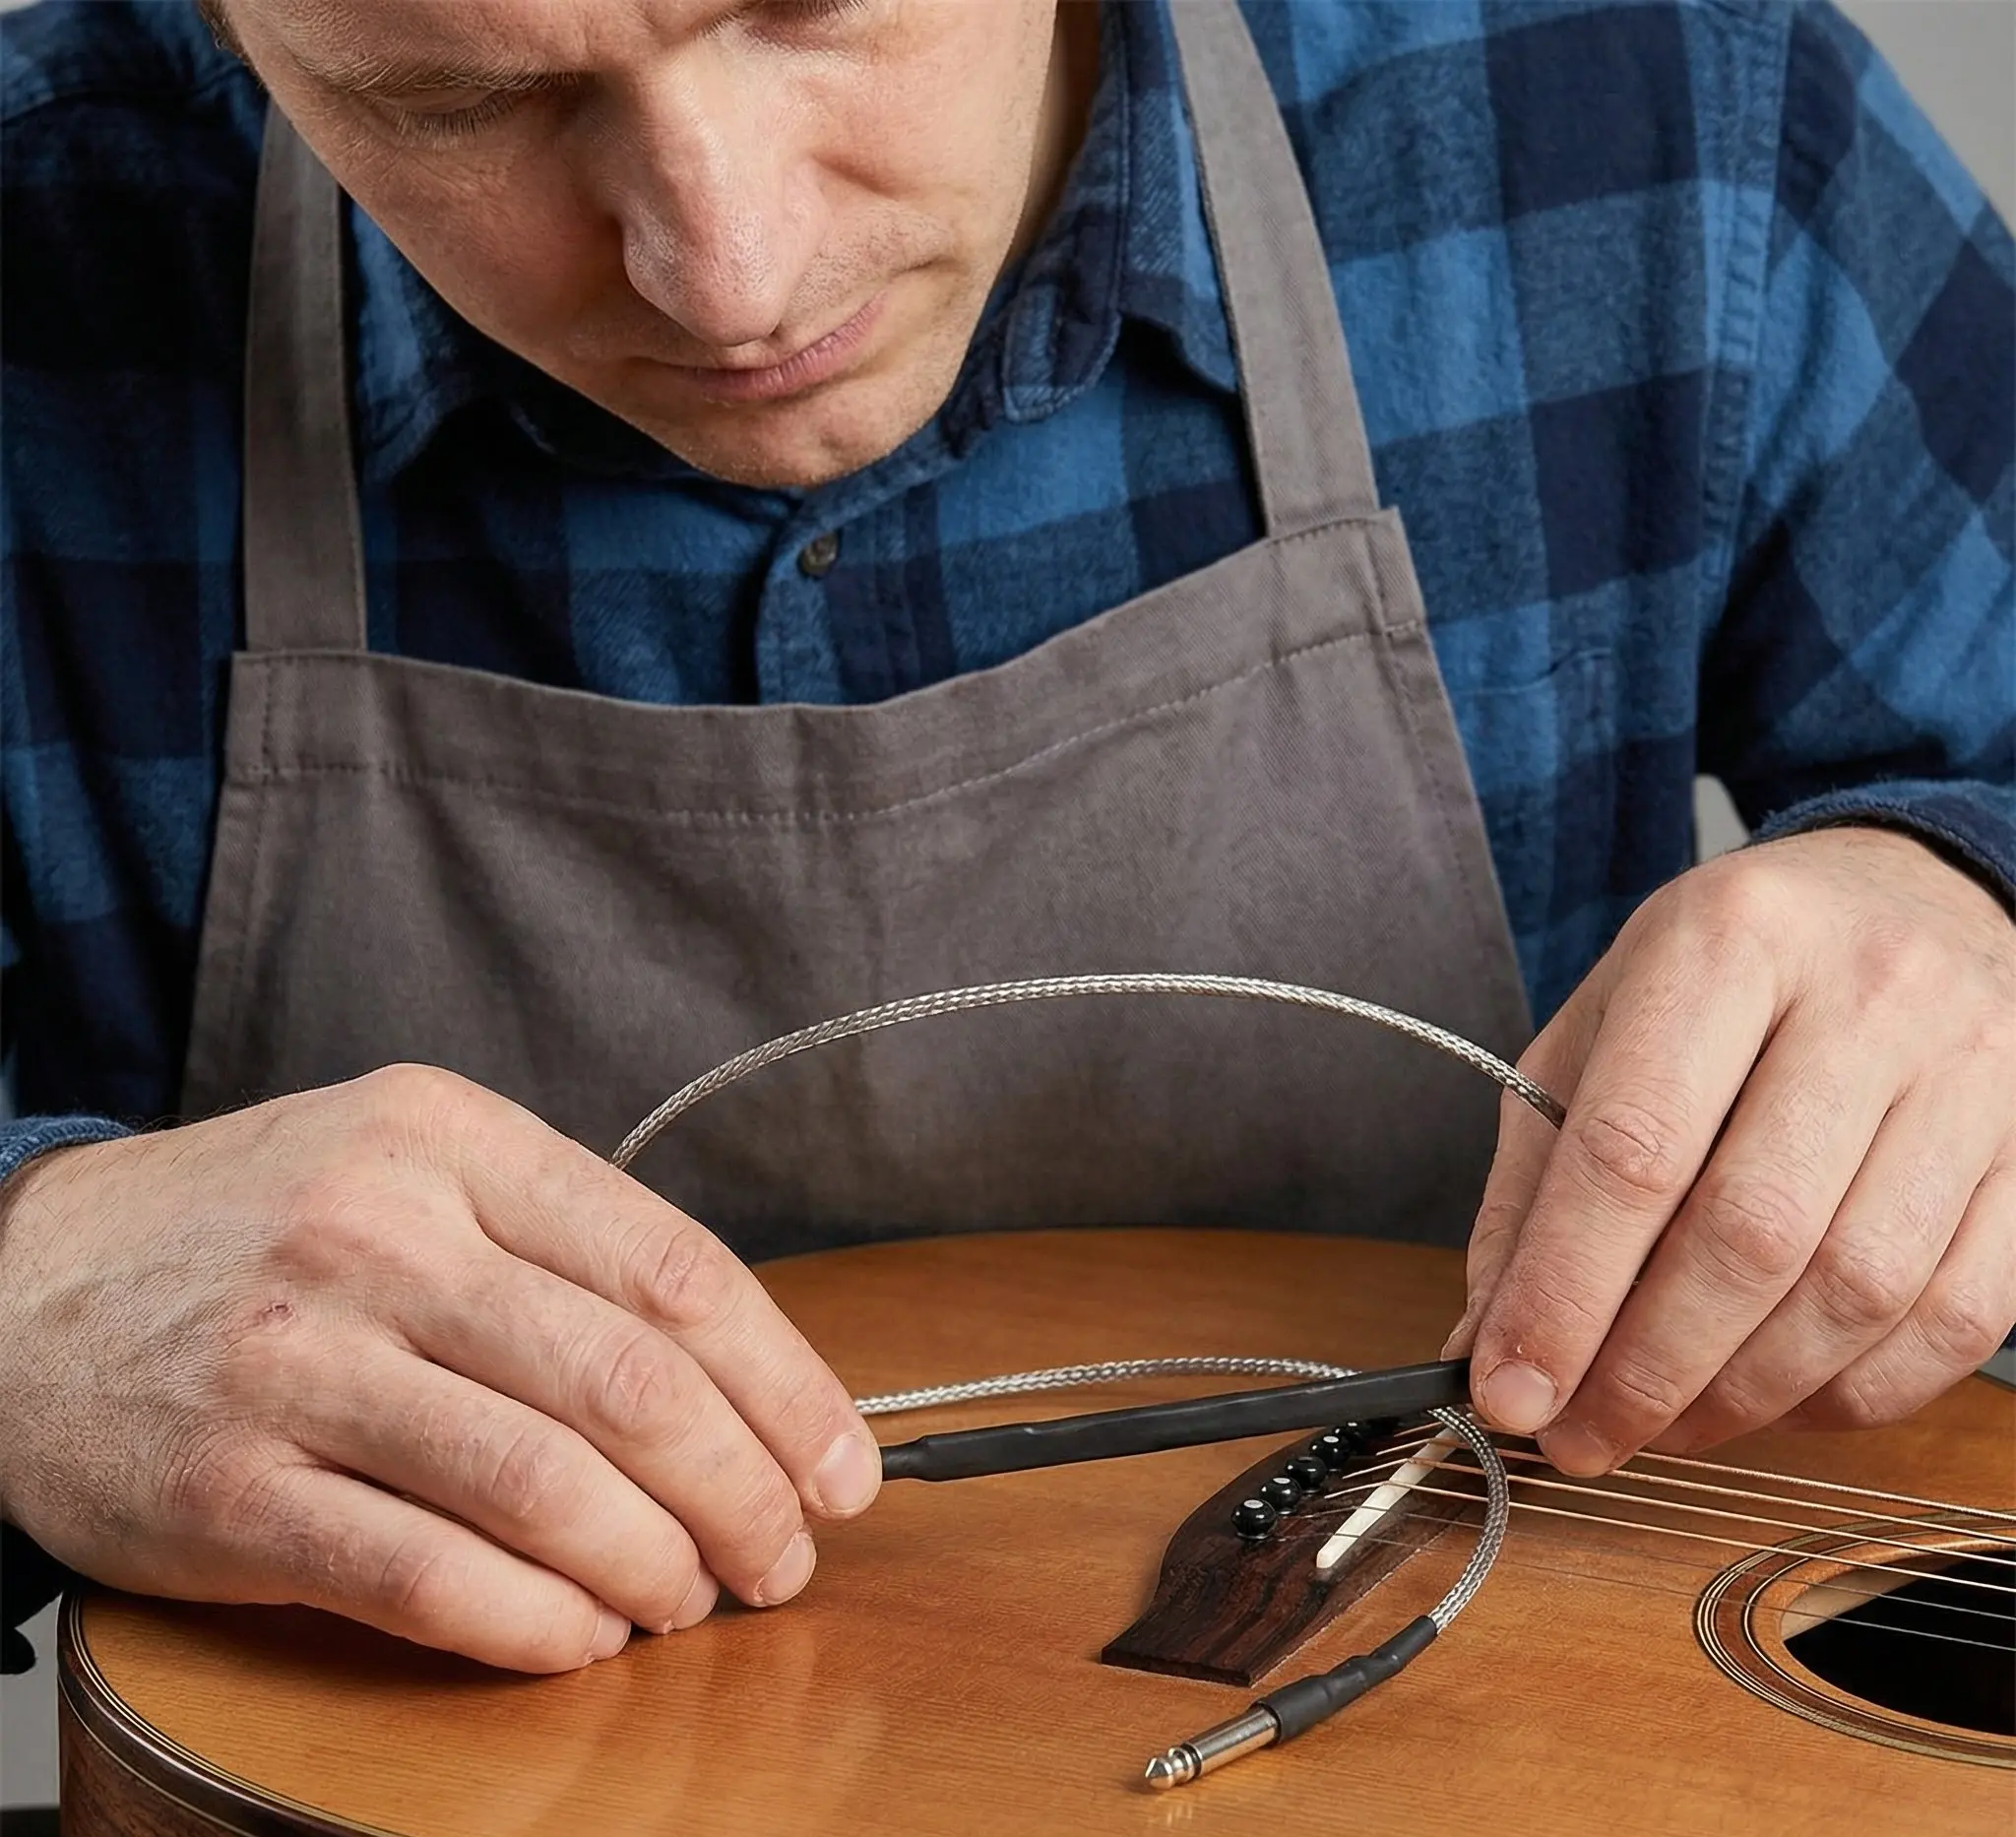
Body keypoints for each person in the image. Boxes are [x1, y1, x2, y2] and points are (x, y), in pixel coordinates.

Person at [2, 0, 2010, 1687]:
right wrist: (24, 1308)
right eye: (466, 104)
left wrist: (1967, 920)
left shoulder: (1646, 102)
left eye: (812, 0)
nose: (729, 272)